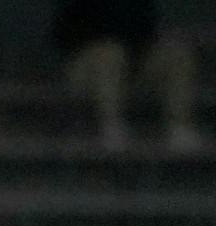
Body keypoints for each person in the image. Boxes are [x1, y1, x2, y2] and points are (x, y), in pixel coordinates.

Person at [53, 0, 201, 151]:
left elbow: (147, 30)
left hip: (132, 63)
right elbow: (64, 35)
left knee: (177, 54)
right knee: (109, 54)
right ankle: (111, 127)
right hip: (88, 68)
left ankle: (180, 127)